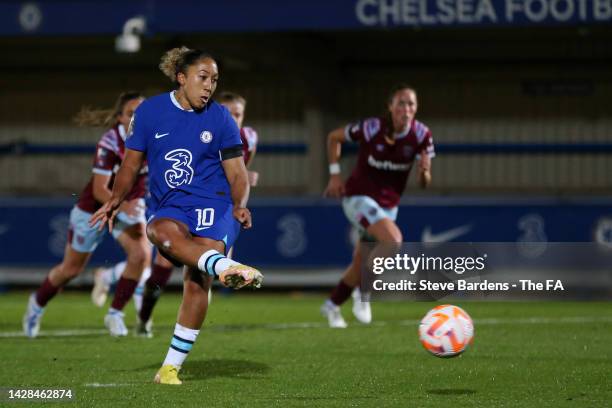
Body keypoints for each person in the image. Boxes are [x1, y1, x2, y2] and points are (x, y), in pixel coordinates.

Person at [89, 46, 263, 385]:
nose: (210, 86)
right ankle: (225, 265)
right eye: (203, 77)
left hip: (215, 204)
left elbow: (238, 173)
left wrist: (240, 203)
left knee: (197, 281)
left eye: (214, 79)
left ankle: (169, 369)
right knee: (159, 232)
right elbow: (130, 164)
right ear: (181, 78)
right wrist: (115, 199)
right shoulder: (150, 112)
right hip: (171, 204)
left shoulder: (221, 118)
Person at [23, 92, 150, 338]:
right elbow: (99, 190)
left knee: (141, 255)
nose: (137, 118)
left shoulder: (155, 139)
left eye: (141, 113)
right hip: (95, 208)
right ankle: (36, 304)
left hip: (128, 205)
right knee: (71, 270)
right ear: (120, 118)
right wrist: (123, 207)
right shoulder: (111, 142)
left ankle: (115, 314)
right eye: (131, 113)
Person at [321, 84, 434, 328]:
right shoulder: (372, 128)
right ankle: (363, 294)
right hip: (358, 198)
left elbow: (424, 182)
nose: (406, 108)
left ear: (416, 108)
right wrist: (334, 175)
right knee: (393, 241)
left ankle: (331, 305)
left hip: (388, 206)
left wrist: (424, 170)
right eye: (401, 103)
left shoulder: (422, 135)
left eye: (411, 104)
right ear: (391, 106)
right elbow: (333, 137)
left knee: (361, 261)